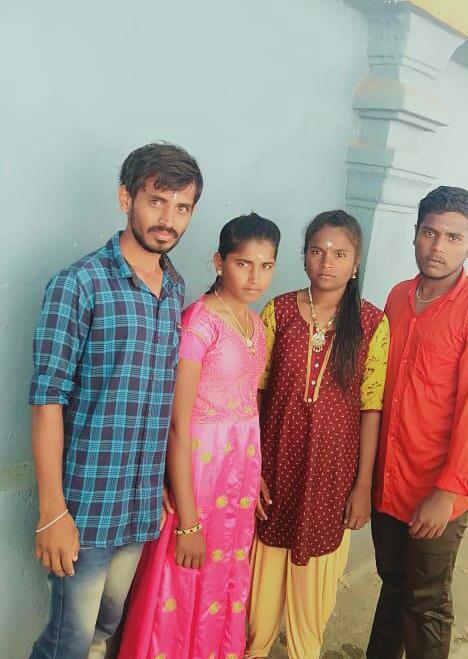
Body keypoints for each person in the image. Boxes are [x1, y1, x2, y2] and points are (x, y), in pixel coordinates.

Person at [28, 141, 203, 659]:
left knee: (105, 629)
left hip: (140, 506)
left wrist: (164, 484)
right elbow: (47, 400)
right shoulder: (78, 285)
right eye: (157, 201)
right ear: (126, 199)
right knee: (67, 641)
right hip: (85, 507)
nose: (168, 219)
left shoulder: (174, 288)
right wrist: (52, 511)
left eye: (182, 207)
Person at [118, 213, 281, 659]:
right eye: (243, 263)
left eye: (266, 265)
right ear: (219, 261)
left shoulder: (256, 325)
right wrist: (187, 521)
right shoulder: (199, 322)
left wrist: (253, 473)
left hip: (238, 478)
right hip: (200, 475)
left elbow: (247, 404)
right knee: (184, 575)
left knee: (223, 581)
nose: (255, 276)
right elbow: (178, 421)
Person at [246, 210, 389, 659]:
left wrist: (362, 485)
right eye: (317, 251)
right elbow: (255, 393)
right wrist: (252, 467)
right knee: (259, 601)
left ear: (356, 261)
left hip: (331, 475)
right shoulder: (279, 312)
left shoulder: (372, 323)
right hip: (274, 466)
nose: (327, 262)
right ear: (304, 256)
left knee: (312, 602)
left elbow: (371, 407)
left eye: (339, 254)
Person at [367, 186, 468, 659]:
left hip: (436, 489)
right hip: (388, 482)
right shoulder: (398, 297)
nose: (438, 247)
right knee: (393, 584)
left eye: (453, 238)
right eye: (430, 233)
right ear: (416, 233)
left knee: (426, 602)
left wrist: (446, 492)